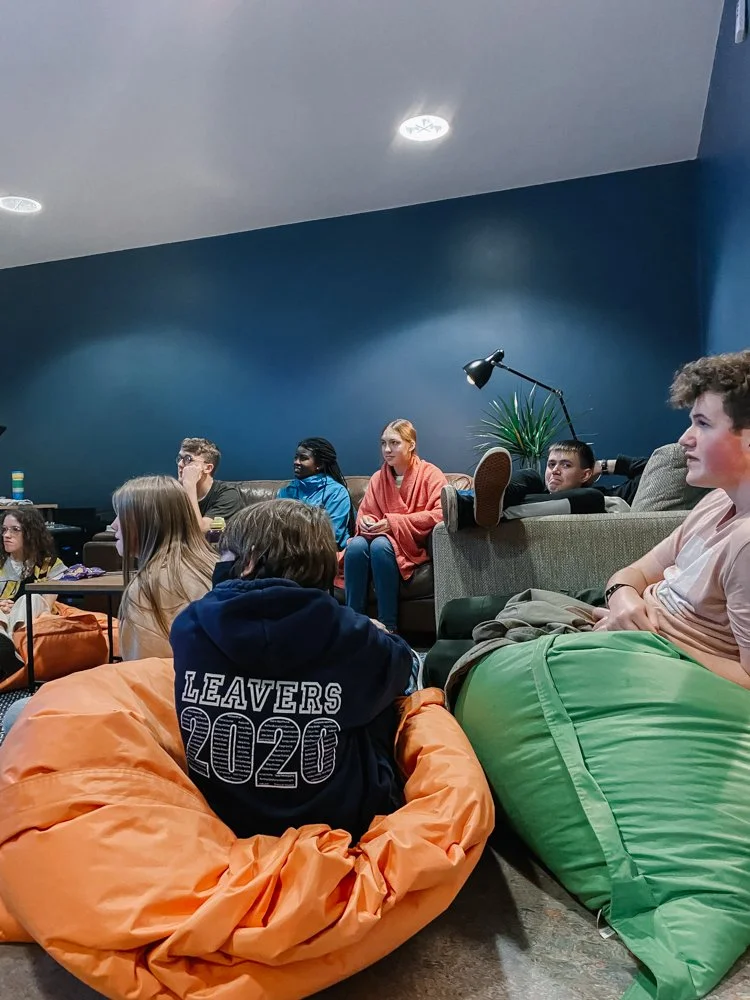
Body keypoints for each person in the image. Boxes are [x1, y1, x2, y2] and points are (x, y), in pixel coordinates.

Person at [171, 498, 415, 842]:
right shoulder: (348, 631)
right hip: (337, 822)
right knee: (389, 688)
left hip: (222, 816)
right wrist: (380, 633)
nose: (218, 563)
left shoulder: (188, 625)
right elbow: (403, 665)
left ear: (249, 560)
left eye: (224, 554)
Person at [592, 349, 750, 688]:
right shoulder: (716, 501)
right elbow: (634, 572)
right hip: (628, 627)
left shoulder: (746, 542)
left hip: (656, 660)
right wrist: (622, 599)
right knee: (481, 615)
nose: (684, 439)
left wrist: (653, 640)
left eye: (703, 423)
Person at [344, 419, 447, 632]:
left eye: (394, 443)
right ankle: (353, 623)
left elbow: (440, 513)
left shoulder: (430, 474)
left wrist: (393, 523)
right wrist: (367, 522)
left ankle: (388, 626)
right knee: (355, 546)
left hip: (411, 545)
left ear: (411, 445)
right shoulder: (377, 479)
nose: (387, 449)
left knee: (381, 545)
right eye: (383, 443)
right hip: (377, 539)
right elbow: (366, 513)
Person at [112, 476, 218, 659]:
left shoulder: (148, 588)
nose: (114, 525)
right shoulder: (214, 564)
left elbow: (145, 668)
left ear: (147, 521)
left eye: (121, 514)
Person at [441, 440, 649, 531]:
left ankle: (472, 509)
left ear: (585, 473)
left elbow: (653, 468)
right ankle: (491, 501)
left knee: (593, 498)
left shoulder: (609, 493)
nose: (555, 470)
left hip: (587, 499)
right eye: (551, 464)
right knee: (531, 475)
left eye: (566, 465)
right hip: (521, 498)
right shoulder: (535, 485)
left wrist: (602, 466)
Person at [0, 508, 67, 676]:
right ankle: (7, 650)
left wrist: (15, 609)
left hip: (31, 616)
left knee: (31, 599)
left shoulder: (49, 564)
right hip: (2, 618)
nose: (6, 535)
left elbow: (47, 605)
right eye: (4, 529)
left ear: (31, 533)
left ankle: (12, 649)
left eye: (15, 529)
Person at [277, 437, 355, 549]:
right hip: (288, 550)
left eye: (303, 458)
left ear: (320, 464)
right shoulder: (287, 491)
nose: (296, 462)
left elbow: (332, 536)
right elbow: (276, 529)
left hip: (324, 551)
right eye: (296, 457)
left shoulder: (336, 492)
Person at [176, 437, 244, 531]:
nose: (180, 464)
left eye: (188, 459)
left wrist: (189, 485)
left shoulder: (228, 495)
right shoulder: (173, 492)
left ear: (208, 468)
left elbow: (200, 530)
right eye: (180, 458)